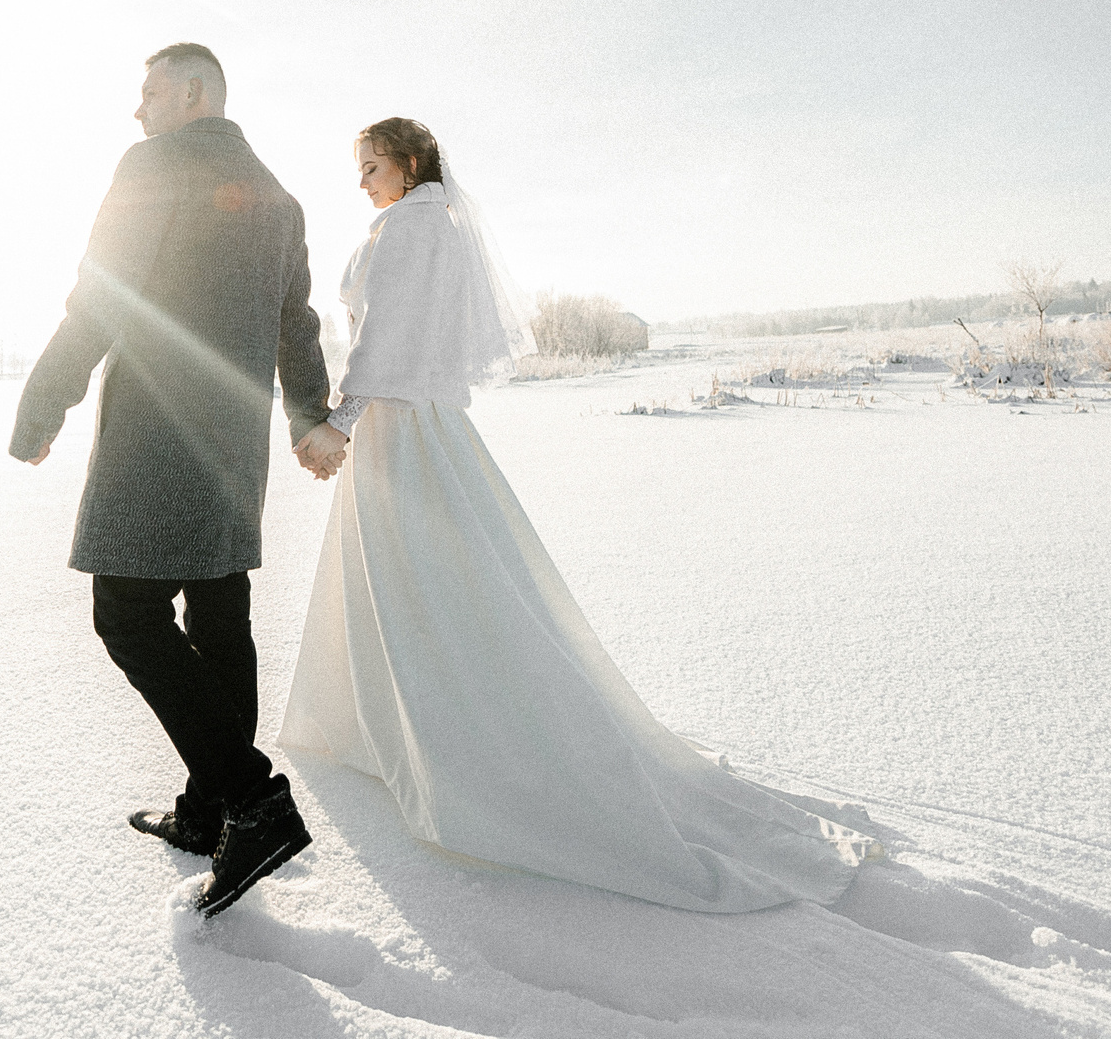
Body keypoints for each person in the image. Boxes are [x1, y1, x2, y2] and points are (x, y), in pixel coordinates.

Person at [278, 117, 882, 912]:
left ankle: (449, 748)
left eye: (372, 165)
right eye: (357, 169)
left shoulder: (409, 230)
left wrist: (340, 421)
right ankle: (392, 729)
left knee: (422, 590)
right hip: (418, 422)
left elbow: (389, 338)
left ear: (411, 162)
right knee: (422, 586)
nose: (360, 181)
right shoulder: (428, 226)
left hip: (395, 423)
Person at [9, 44, 352, 918]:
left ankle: (252, 799)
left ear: (194, 92)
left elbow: (102, 297)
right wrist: (306, 411)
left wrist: (43, 403)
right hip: (234, 442)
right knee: (218, 610)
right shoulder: (279, 197)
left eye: (151, 91)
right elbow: (296, 322)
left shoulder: (153, 165)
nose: (138, 110)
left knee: (125, 612)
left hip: (158, 434)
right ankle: (209, 816)